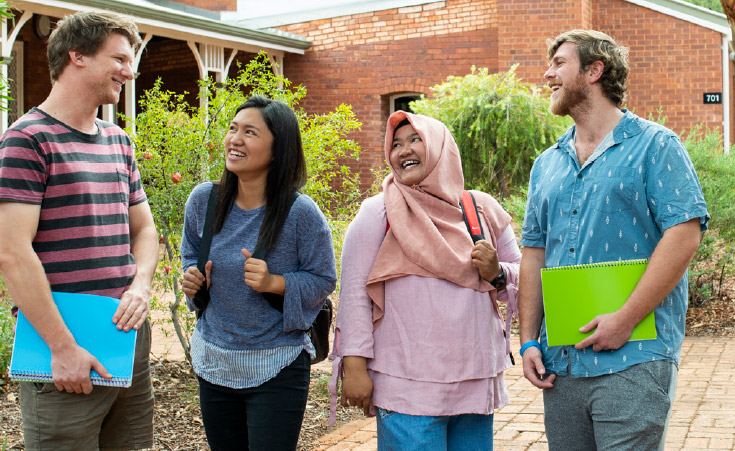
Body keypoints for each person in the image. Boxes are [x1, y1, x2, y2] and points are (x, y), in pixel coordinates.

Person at [518, 30, 709, 450]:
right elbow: (533, 253)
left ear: (594, 70)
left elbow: (684, 234)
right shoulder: (546, 164)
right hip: (561, 362)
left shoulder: (657, 145)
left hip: (635, 358)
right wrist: (529, 338)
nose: (547, 74)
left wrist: (625, 319)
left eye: (559, 63)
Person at [0, 11, 158, 450]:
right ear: (78, 56)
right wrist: (62, 347)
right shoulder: (27, 140)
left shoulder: (118, 141)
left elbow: (145, 231)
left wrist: (141, 285)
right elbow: (11, 253)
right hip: (63, 351)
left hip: (126, 341)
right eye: (121, 58)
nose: (130, 71)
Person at [332, 110, 520, 451]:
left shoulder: (481, 210)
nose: (403, 150)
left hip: (475, 381)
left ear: (440, 147)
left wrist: (498, 273)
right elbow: (355, 294)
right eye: (396, 144)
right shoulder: (379, 213)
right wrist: (355, 366)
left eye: (415, 139)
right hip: (407, 387)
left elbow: (524, 278)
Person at [180, 95, 337, 451]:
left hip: (277, 363)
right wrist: (192, 276)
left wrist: (275, 283)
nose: (235, 139)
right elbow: (190, 252)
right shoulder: (203, 201)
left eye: (250, 132)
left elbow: (324, 277)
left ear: (278, 149)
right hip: (215, 359)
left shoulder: (301, 214)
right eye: (233, 128)